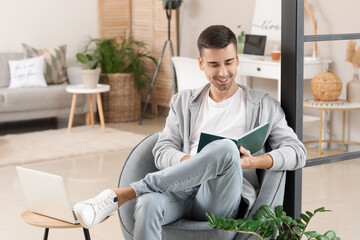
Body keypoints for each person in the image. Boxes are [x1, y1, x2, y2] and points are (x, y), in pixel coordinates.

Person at [74, 25, 306, 239]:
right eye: (214, 64)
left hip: (221, 196)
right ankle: (138, 193)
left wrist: (254, 161)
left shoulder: (263, 105)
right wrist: (193, 162)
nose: (223, 72)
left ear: (237, 60)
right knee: (148, 204)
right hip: (180, 188)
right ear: (201, 63)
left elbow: (297, 152)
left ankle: (124, 193)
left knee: (225, 148)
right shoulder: (184, 102)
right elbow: (162, 150)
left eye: (228, 62)